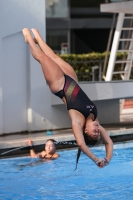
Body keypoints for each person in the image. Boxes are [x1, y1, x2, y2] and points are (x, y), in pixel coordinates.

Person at [22, 28, 113, 169]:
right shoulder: (94, 119)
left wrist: (95, 159)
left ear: (86, 132)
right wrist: (107, 159)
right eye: (98, 132)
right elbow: (109, 143)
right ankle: (38, 39)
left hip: (60, 86)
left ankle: (29, 39)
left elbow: (82, 144)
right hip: (73, 81)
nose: (97, 129)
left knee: (43, 58)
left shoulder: (77, 121)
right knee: (54, 57)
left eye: (95, 132)